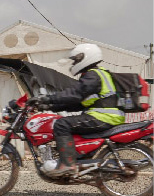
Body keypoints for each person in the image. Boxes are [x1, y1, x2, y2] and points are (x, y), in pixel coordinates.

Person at [30, 43, 125, 177]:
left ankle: (68, 164)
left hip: (104, 117)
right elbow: (79, 103)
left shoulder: (93, 76)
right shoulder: (97, 74)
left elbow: (74, 94)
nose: (74, 63)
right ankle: (78, 159)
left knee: (61, 125)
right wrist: (50, 106)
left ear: (86, 58)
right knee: (67, 122)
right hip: (105, 116)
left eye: (76, 60)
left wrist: (48, 98)